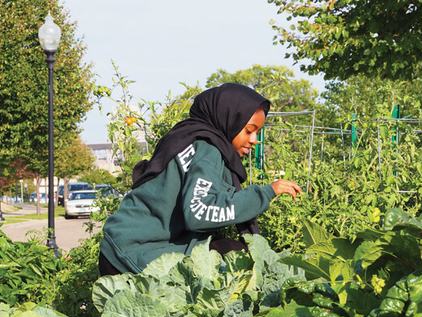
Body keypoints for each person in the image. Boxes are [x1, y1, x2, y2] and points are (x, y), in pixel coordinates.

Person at [98, 83, 302, 276]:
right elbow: (198, 212)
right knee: (233, 256)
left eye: (257, 132)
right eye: (249, 130)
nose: (254, 140)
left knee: (219, 250)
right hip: (130, 254)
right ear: (229, 119)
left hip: (120, 245)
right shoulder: (208, 150)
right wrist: (266, 193)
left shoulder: (190, 136)